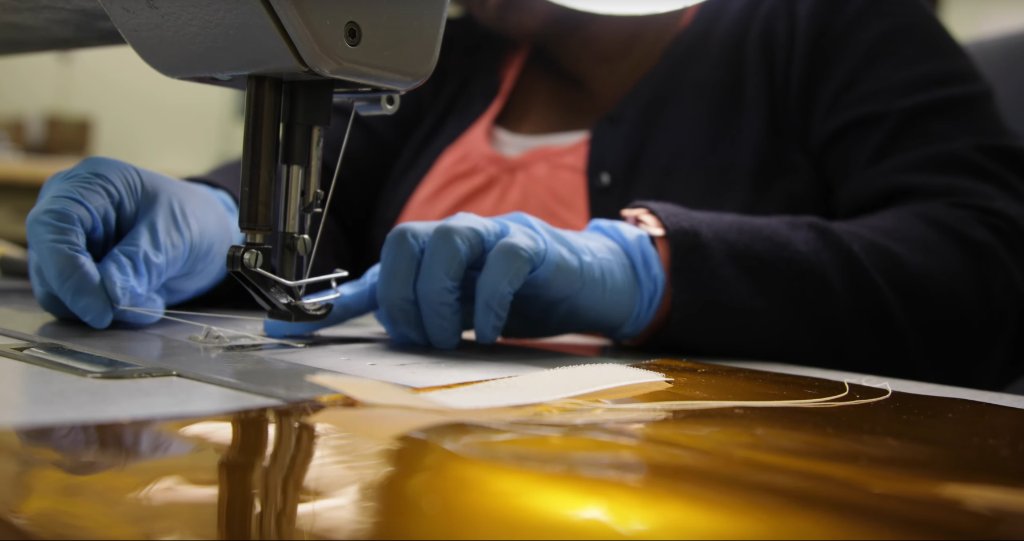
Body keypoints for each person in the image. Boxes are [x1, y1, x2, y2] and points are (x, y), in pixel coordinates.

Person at [25, 0, 1024, 390]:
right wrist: (199, 215)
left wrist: (647, 268)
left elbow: (979, 257)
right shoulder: (455, 63)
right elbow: (304, 200)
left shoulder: (829, 24)